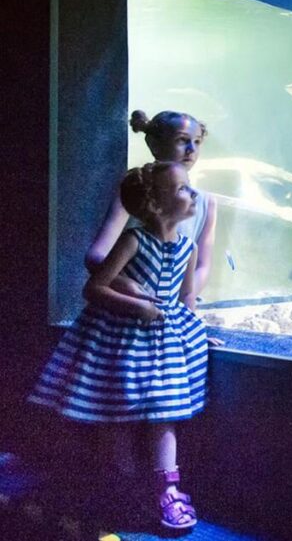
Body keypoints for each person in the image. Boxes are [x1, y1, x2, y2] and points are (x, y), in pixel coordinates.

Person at [29, 162, 219, 529]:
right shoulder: (134, 240)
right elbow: (95, 288)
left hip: (164, 347)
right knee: (117, 414)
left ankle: (168, 490)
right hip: (122, 343)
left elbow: (185, 299)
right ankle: (122, 487)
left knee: (165, 414)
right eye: (182, 189)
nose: (192, 194)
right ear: (155, 203)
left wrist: (194, 328)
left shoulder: (188, 248)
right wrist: (138, 306)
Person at [86, 109, 218, 298]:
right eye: (182, 140)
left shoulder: (206, 202)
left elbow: (203, 266)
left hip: (171, 308)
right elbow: (95, 256)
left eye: (197, 142)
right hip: (130, 307)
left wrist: (176, 303)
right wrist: (128, 288)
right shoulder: (137, 190)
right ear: (154, 144)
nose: (191, 149)